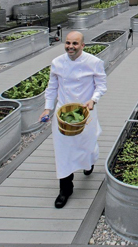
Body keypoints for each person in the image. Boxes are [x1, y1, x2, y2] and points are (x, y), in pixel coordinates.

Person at [40, 31, 107, 209]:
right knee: (63, 151)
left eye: (75, 44)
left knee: (87, 145)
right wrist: (48, 108)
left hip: (86, 111)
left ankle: (89, 161)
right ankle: (65, 189)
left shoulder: (94, 62)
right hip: (63, 113)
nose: (71, 46)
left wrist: (93, 99)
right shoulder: (57, 63)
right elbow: (52, 87)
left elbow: (101, 85)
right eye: (68, 43)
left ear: (82, 45)